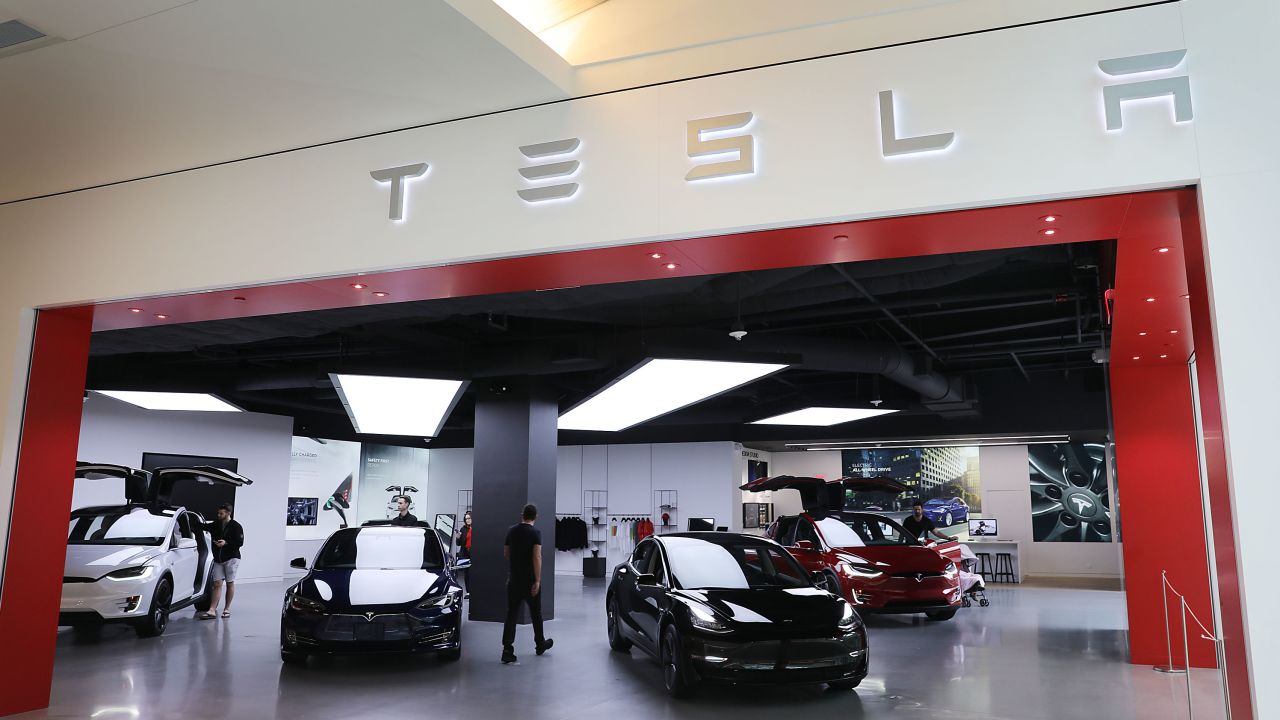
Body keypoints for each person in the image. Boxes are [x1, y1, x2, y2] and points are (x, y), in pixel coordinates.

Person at [501, 504, 552, 664]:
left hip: (514, 579)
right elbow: (537, 557)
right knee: (536, 613)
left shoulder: (511, 530)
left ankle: (507, 650)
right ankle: (540, 644)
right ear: (536, 517)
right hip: (530, 580)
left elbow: (506, 553)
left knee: (511, 614)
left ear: (522, 515)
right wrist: (537, 580)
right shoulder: (536, 533)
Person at [197, 504, 244, 620]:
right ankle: (212, 610)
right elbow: (203, 527)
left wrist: (226, 543)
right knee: (217, 584)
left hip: (232, 558)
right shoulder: (216, 524)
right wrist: (189, 521)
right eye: (218, 513)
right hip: (218, 559)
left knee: (229, 583)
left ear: (228, 513)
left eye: (221, 513)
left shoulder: (236, 526)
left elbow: (240, 542)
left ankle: (227, 609)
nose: (218, 515)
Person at [456, 511, 473, 598]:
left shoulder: (476, 528)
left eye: (469, 518)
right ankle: (468, 592)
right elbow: (458, 543)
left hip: (474, 552)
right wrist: (458, 537)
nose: (468, 520)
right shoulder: (463, 529)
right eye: (466, 519)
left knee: (474, 572)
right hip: (465, 552)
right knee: (467, 573)